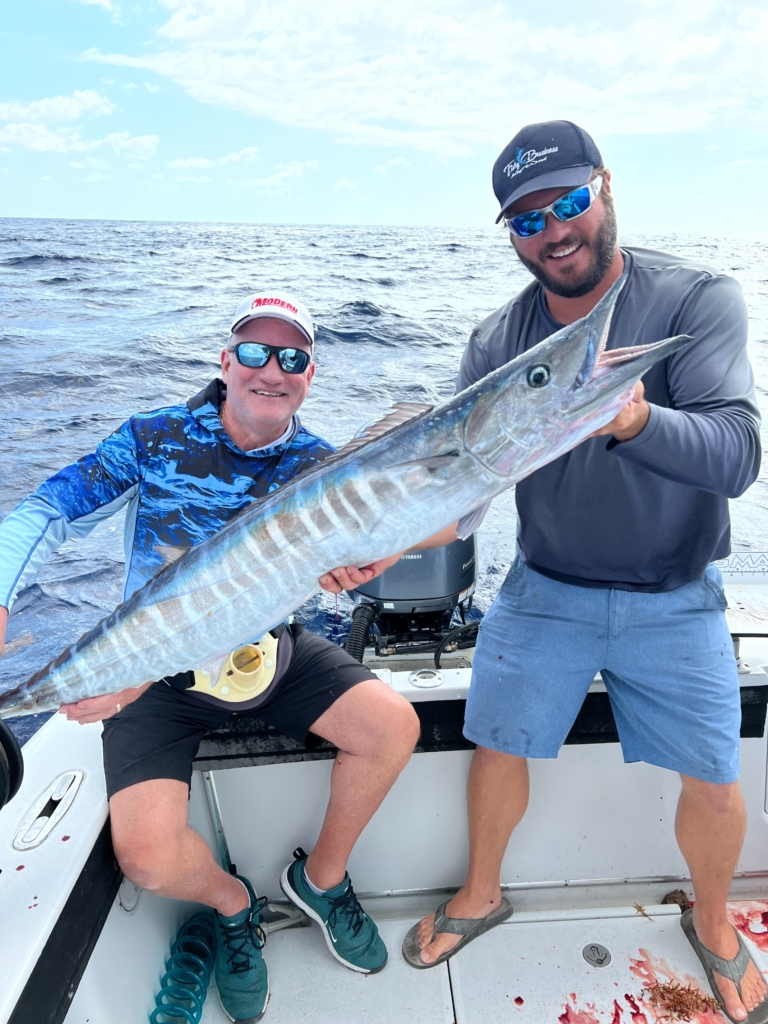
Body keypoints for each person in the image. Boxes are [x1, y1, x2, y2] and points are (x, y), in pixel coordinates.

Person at [322, 121, 766, 1022]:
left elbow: (738, 455)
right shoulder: (498, 341)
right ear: (511, 233)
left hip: (676, 594)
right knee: (499, 745)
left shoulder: (698, 298)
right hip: (544, 587)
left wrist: (634, 420)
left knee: (716, 774)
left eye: (567, 203)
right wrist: (379, 547)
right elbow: (465, 493)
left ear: (604, 187)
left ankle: (714, 923)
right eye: (527, 219)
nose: (553, 230)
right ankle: (481, 893)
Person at [0, 290, 420, 1024]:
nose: (271, 369)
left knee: (393, 727)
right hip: (150, 669)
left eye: (292, 357)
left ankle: (321, 882)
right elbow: (47, 508)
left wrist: (370, 563)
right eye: (254, 352)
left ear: (310, 376)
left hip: (267, 652)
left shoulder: (322, 466)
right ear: (225, 363)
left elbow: (389, 546)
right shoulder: (155, 436)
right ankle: (233, 906)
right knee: (148, 857)